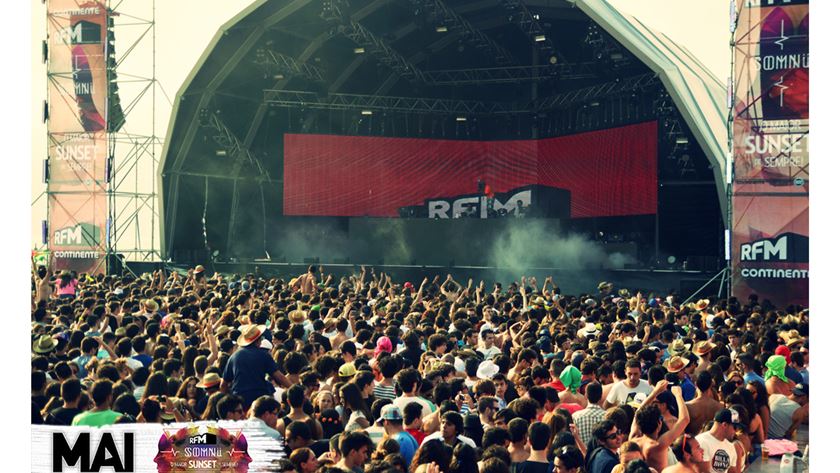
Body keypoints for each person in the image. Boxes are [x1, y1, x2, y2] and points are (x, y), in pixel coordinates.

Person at [221, 324, 291, 408]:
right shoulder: (263, 355)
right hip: (259, 399)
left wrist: (228, 401)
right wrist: (294, 388)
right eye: (261, 339)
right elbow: (280, 377)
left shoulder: (234, 356)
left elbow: (223, 384)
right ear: (257, 341)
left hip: (239, 400)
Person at [629, 382, 689, 473]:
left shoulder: (633, 440)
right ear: (659, 423)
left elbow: (637, 413)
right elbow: (684, 419)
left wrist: (655, 392)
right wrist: (678, 395)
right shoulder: (659, 445)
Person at [695, 409, 742, 473]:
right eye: (735, 427)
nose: (736, 431)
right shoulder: (700, 442)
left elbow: (732, 471)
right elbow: (703, 471)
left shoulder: (731, 446)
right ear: (724, 425)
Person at [686, 371, 722, 436]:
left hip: (694, 442)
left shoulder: (688, 406)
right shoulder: (719, 406)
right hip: (712, 441)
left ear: (695, 384)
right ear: (711, 384)